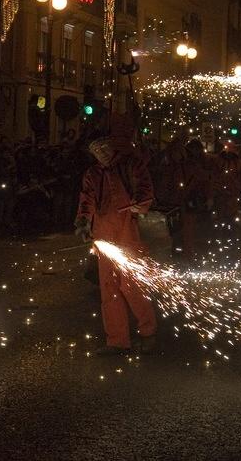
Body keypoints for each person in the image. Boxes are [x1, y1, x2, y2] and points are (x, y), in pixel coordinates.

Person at [75, 135, 157, 355]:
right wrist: (83, 222)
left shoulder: (131, 164)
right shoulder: (92, 174)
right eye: (95, 150)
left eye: (103, 147)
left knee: (131, 285)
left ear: (111, 146)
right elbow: (86, 199)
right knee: (109, 289)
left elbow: (144, 187)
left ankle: (148, 332)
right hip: (103, 234)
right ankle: (117, 341)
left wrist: (140, 203)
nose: (101, 152)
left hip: (128, 231)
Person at [213, 142, 241, 224]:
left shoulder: (239, 163)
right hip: (221, 192)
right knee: (221, 212)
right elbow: (214, 175)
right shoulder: (219, 161)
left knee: (233, 213)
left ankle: (232, 228)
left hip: (234, 192)